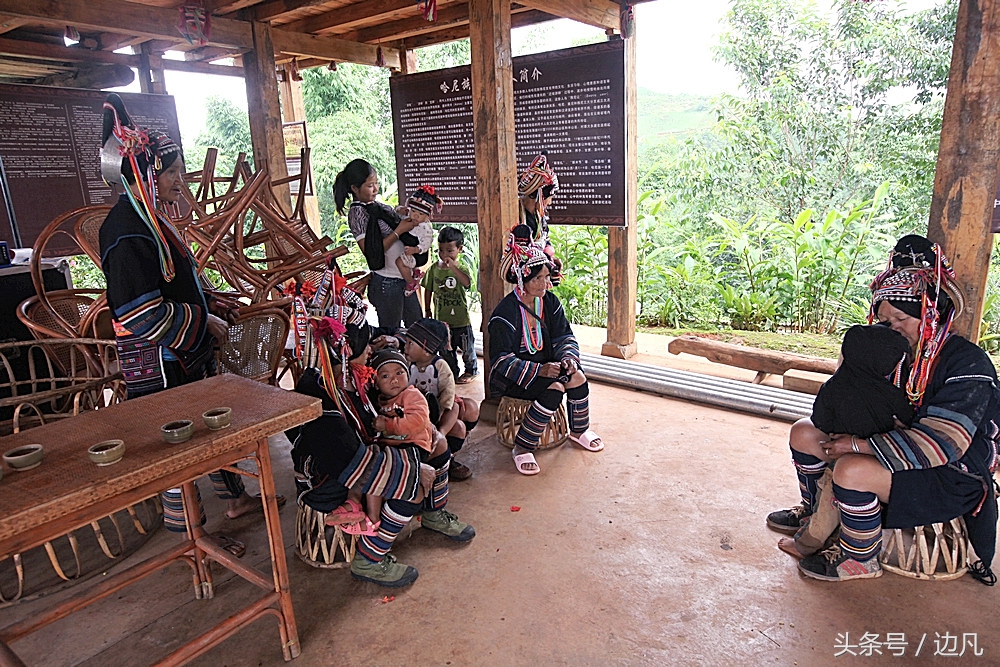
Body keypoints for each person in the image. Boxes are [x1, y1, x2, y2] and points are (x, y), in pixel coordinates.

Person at [767, 235, 999, 584]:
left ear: (931, 314)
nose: (892, 328)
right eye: (884, 319)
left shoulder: (967, 364)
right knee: (803, 432)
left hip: (951, 473)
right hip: (890, 446)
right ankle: (816, 517)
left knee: (851, 470)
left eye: (902, 318)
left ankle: (860, 558)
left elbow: (943, 445)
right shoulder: (889, 351)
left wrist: (857, 445)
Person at [98, 94, 268, 549]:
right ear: (144, 174)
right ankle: (192, 538)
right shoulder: (126, 230)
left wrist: (213, 303)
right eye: (170, 172)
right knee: (176, 444)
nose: (180, 180)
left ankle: (235, 499)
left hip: (182, 353)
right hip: (159, 361)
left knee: (208, 428)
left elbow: (176, 283)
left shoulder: (151, 220)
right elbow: (137, 312)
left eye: (180, 170)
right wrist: (201, 320)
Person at [291, 289, 475, 587]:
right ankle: (370, 558)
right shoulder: (318, 394)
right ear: (345, 350)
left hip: (363, 454)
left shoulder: (349, 375)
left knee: (437, 441)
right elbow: (348, 459)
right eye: (365, 344)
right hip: (328, 480)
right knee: (416, 483)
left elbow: (372, 431)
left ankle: (433, 514)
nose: (370, 349)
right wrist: (413, 469)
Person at [488, 225, 603, 475]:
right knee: (555, 389)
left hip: (549, 364)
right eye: (537, 278)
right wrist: (539, 370)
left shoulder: (549, 302)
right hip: (516, 377)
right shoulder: (504, 314)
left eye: (546, 277)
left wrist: (568, 358)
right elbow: (500, 360)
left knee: (577, 377)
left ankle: (579, 431)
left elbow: (564, 335)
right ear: (522, 279)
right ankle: (522, 447)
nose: (545, 283)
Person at [333, 159, 421, 328]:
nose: (375, 189)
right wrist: (398, 231)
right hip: (387, 282)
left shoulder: (377, 206)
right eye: (370, 185)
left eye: (376, 183)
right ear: (355, 188)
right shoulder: (357, 213)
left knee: (417, 328)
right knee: (390, 334)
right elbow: (371, 252)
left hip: (404, 278)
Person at [403, 318, 481, 481]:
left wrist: (440, 417)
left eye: (410, 343)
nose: (405, 347)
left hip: (438, 412)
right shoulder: (406, 364)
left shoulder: (440, 366)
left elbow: (448, 395)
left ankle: (443, 443)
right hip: (415, 413)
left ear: (426, 350)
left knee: (457, 414)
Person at [811, 324, 914, 439]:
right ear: (886, 364)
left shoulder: (832, 386)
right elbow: (907, 420)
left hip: (836, 441)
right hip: (872, 447)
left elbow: (820, 419)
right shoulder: (890, 393)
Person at [422, 226, 479, 383]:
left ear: (459, 249)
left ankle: (471, 370)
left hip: (461, 320)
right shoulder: (433, 269)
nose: (444, 254)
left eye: (449, 251)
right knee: (446, 350)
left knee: (467, 348)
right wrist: (427, 309)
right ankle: (452, 372)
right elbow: (428, 289)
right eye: (441, 250)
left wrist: (453, 266)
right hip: (442, 321)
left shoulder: (462, 268)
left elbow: (467, 283)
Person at [517, 152, 563, 285]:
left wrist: (550, 261)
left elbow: (544, 243)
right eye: (550, 197)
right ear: (539, 195)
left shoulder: (539, 217)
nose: (550, 202)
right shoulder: (517, 216)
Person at [395, 185, 439, 298]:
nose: (415, 215)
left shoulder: (425, 228)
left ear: (427, 216)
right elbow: (398, 210)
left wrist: (415, 250)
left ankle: (411, 284)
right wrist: (400, 209)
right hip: (411, 248)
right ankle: (416, 273)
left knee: (399, 262)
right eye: (413, 211)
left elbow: (426, 243)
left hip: (418, 254)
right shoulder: (409, 216)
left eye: (420, 214)